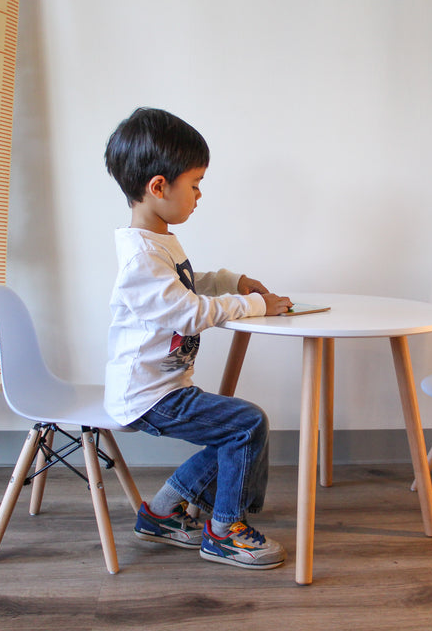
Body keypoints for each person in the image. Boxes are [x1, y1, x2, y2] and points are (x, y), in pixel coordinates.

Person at [103, 107, 292, 570]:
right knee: (246, 424)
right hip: (148, 394)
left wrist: (233, 281)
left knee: (234, 430)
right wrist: (256, 305)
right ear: (158, 187)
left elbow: (186, 286)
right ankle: (224, 531)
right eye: (195, 183)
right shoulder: (141, 258)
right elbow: (188, 314)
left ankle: (162, 515)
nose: (200, 194)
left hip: (162, 385)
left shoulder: (159, 243)